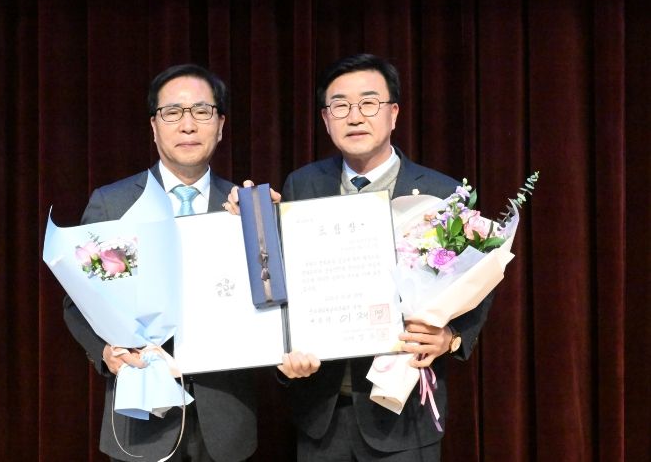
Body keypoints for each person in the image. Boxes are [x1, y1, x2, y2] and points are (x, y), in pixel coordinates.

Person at [229, 53, 493, 461]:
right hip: (321, 413)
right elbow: (282, 280)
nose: (354, 117)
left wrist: (451, 337)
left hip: (404, 414)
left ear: (393, 114)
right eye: (340, 106)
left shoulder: (441, 192)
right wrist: (250, 221)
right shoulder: (302, 185)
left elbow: (477, 282)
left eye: (369, 103)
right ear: (325, 119)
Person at [63, 64, 256, 462]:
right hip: (142, 418)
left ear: (220, 125)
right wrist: (105, 351)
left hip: (227, 421)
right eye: (172, 112)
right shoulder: (114, 204)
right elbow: (77, 302)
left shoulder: (245, 206)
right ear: (154, 126)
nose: (188, 125)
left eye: (202, 111)